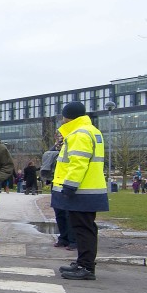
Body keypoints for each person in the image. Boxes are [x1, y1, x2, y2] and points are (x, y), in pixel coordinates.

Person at [53, 102, 108, 280]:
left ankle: (86, 267)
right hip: (90, 188)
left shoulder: (79, 133)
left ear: (68, 116)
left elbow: (78, 162)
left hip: (82, 190)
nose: (62, 120)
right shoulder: (91, 130)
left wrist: (69, 185)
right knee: (86, 228)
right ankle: (84, 262)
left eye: (63, 116)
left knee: (83, 229)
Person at [44, 134, 77, 250]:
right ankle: (63, 238)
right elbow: (48, 157)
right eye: (58, 136)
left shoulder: (73, 145)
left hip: (68, 183)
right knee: (59, 214)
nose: (60, 138)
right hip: (56, 184)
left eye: (61, 136)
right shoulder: (57, 148)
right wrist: (56, 146)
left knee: (69, 214)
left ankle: (73, 240)